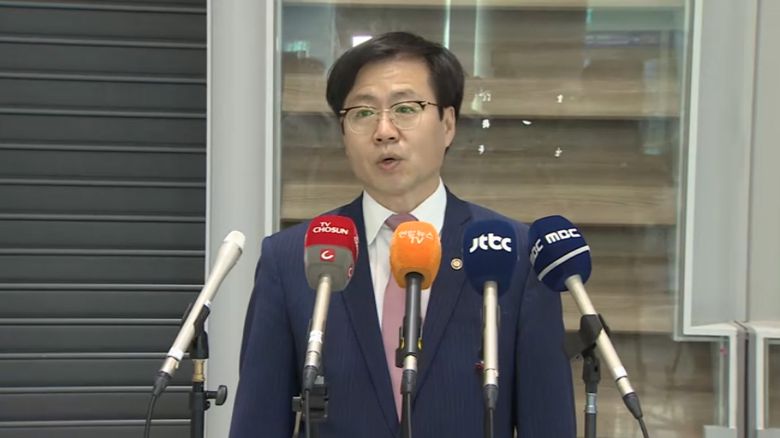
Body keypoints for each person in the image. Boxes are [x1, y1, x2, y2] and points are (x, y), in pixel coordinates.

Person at [229, 31, 575, 437]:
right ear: (343, 133)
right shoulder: (291, 258)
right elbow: (257, 422)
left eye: (406, 108)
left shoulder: (515, 255)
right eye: (362, 113)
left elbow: (548, 423)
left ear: (448, 124)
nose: (384, 131)